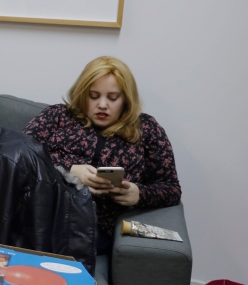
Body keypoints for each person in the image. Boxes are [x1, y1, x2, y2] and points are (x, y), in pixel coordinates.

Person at [24, 56, 181, 254]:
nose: (103, 105)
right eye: (94, 96)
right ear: (82, 94)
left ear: (126, 99)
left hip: (94, 229)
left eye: (113, 98)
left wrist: (138, 194)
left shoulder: (147, 129)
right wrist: (66, 171)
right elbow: (20, 157)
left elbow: (171, 188)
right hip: (41, 213)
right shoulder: (57, 116)